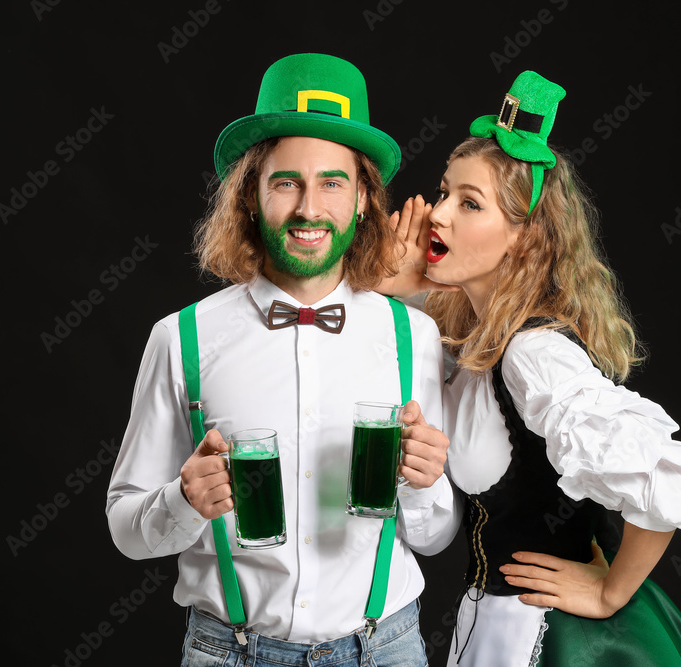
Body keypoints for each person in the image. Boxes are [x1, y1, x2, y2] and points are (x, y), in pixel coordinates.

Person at [105, 53, 459, 666]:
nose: (308, 209)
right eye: (286, 182)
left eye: (332, 183)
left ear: (363, 202)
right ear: (249, 196)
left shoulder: (415, 337)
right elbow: (124, 527)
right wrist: (182, 503)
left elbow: (434, 537)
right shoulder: (180, 338)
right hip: (229, 652)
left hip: (386, 649)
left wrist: (425, 486)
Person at [385, 71, 681, 665]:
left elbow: (668, 476)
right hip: (491, 624)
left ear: (524, 238)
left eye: (469, 204)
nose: (437, 216)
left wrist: (612, 589)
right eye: (443, 194)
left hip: (549, 636)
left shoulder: (532, 354)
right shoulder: (472, 334)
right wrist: (394, 283)